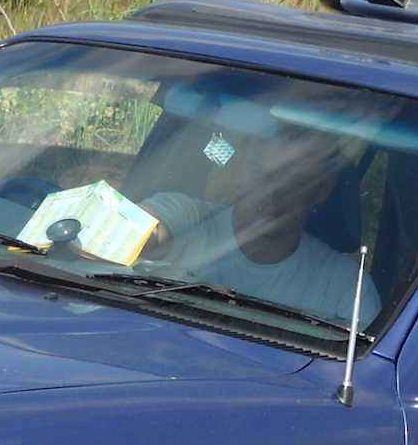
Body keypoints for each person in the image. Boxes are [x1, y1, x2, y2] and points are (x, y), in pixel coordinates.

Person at [138, 124, 378, 328]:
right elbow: (140, 227)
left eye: (294, 180)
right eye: (260, 172)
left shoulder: (346, 290)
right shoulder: (189, 217)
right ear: (240, 167)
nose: (272, 191)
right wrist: (126, 230)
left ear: (323, 189)